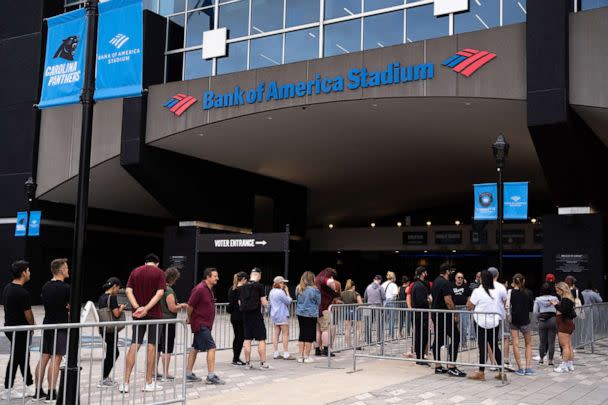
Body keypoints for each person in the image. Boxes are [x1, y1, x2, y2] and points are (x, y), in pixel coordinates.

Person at [120, 254, 167, 393]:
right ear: (156, 263)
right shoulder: (160, 273)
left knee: (134, 344)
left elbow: (128, 290)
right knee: (152, 346)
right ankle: (148, 382)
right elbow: (159, 294)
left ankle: (126, 382)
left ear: (145, 262)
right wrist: (146, 308)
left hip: (137, 314)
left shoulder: (135, 271)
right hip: (154, 315)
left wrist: (137, 307)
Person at [35, 258, 70, 402]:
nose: (68, 270)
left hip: (47, 324)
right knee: (56, 358)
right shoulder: (66, 288)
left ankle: (37, 392)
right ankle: (51, 392)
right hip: (60, 326)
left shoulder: (45, 286)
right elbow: (70, 307)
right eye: (67, 267)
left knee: (44, 357)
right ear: (61, 270)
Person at [2, 260, 35, 400]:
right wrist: (33, 327)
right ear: (23, 273)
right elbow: (28, 314)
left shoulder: (7, 288)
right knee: (18, 358)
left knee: (21, 357)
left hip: (10, 328)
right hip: (20, 330)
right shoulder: (22, 293)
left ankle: (28, 385)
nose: (29, 273)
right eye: (28, 270)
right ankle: (9, 389)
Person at [185, 267, 224, 384]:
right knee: (211, 347)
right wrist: (189, 317)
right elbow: (190, 306)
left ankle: (188, 374)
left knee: (195, 348)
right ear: (208, 277)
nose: (217, 278)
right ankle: (211, 376)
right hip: (201, 324)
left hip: (204, 324)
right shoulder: (200, 289)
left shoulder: (208, 289)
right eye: (215, 276)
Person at [467, 270, 508, 382]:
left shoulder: (477, 291)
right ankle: (502, 372)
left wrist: (469, 300)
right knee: (495, 346)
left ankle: (481, 372)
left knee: (482, 346)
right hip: (494, 321)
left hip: (480, 321)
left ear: (482, 279)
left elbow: (470, 306)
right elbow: (503, 302)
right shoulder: (496, 290)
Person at [431, 264, 465, 377]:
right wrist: (455, 314)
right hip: (445, 315)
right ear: (446, 271)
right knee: (456, 337)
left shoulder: (436, 281)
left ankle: (438, 366)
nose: (451, 273)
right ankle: (451, 366)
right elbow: (448, 301)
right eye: (450, 271)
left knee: (439, 339)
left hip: (436, 314)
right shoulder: (445, 283)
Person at [157, 267, 188, 381]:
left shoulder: (159, 288)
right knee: (167, 348)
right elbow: (172, 308)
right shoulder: (169, 290)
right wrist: (181, 306)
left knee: (157, 347)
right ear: (173, 278)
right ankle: (165, 373)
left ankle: (153, 371)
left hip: (158, 321)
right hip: (168, 322)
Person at [97, 277, 125, 388]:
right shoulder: (112, 298)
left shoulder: (102, 297)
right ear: (114, 286)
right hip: (111, 329)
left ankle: (105, 376)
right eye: (118, 288)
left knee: (111, 352)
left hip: (104, 329)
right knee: (113, 353)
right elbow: (116, 314)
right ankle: (104, 378)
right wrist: (121, 307)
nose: (118, 290)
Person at [240, 268, 270, 369]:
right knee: (261, 339)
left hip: (245, 316)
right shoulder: (259, 286)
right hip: (256, 315)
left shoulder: (243, 286)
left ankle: (247, 363)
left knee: (247, 339)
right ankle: (263, 363)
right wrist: (268, 305)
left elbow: (240, 302)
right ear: (258, 275)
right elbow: (264, 302)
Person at [508, 274, 534, 376]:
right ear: (523, 281)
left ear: (514, 282)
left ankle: (520, 368)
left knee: (515, 344)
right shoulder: (529, 293)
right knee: (528, 344)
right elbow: (531, 308)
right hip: (525, 321)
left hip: (514, 321)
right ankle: (528, 367)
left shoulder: (511, 293)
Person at [295, 271, 321, 363]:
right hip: (311, 314)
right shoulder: (315, 290)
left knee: (302, 334)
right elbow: (318, 302)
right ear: (312, 279)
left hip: (300, 313)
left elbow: (297, 299)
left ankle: (300, 356)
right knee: (309, 336)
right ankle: (307, 357)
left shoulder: (298, 288)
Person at [487, 267, 510, 369]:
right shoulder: (501, 287)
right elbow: (505, 301)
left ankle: (493, 363)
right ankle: (504, 360)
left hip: (488, 316)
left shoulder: (484, 286)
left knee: (490, 340)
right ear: (497, 275)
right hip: (500, 316)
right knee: (504, 337)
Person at [552, 282, 577, 373]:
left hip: (564, 324)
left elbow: (563, 310)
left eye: (558, 290)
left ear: (562, 290)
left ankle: (564, 365)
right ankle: (569, 364)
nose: (557, 292)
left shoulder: (566, 299)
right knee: (569, 345)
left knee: (565, 346)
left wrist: (555, 304)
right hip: (567, 323)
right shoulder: (568, 298)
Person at [314, 268, 339, 356]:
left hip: (315, 309)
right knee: (326, 329)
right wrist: (334, 289)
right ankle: (325, 349)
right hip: (324, 308)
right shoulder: (325, 278)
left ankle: (317, 349)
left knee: (317, 330)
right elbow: (330, 282)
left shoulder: (316, 279)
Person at [269, 276, 293, 360]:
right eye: (282, 283)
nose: (284, 284)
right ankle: (286, 353)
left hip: (274, 315)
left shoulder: (271, 291)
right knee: (285, 334)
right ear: (278, 283)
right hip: (282, 314)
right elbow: (288, 301)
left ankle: (276, 353)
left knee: (276, 334)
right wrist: (287, 292)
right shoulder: (280, 292)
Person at [533, 282, 558, 366]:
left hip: (542, 320)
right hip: (553, 319)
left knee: (542, 341)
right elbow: (558, 309)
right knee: (552, 342)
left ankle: (541, 359)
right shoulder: (554, 298)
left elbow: (535, 311)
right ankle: (550, 360)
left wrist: (537, 319)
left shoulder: (538, 299)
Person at [411, 267, 431, 366]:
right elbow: (420, 301)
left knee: (422, 336)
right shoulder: (419, 286)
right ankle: (420, 357)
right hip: (421, 316)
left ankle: (420, 357)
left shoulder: (418, 285)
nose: (426, 273)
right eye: (425, 272)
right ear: (423, 273)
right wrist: (428, 301)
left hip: (421, 315)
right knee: (421, 336)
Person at [227, 271, 248, 366]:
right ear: (243, 279)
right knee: (241, 337)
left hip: (233, 316)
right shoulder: (242, 289)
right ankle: (236, 359)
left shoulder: (232, 288)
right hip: (240, 316)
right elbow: (241, 303)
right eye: (246, 280)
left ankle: (235, 358)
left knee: (237, 337)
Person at [364, 275, 386, 345]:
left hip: (368, 306)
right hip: (378, 306)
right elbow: (384, 297)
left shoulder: (368, 287)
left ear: (374, 279)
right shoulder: (380, 287)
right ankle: (379, 340)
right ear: (379, 280)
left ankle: (368, 340)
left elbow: (365, 297)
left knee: (368, 323)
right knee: (379, 324)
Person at [341, 279, 363, 349]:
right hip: (355, 311)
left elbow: (339, 301)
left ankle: (348, 345)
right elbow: (360, 303)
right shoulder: (356, 293)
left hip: (346, 311)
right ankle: (357, 345)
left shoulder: (342, 293)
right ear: (353, 286)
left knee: (347, 329)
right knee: (358, 328)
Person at [452, 272, 472, 347]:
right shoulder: (451, 286)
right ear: (455, 278)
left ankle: (463, 342)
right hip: (454, 308)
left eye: (461, 278)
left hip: (463, 308)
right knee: (454, 326)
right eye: (458, 277)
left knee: (463, 326)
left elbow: (469, 296)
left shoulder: (465, 286)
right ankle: (455, 342)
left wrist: (468, 304)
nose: (460, 279)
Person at [381, 271, 399, 338]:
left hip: (384, 302)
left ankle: (381, 333)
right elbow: (395, 294)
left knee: (383, 319)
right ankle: (391, 334)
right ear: (393, 277)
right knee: (391, 319)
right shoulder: (393, 285)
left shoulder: (383, 284)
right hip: (391, 301)